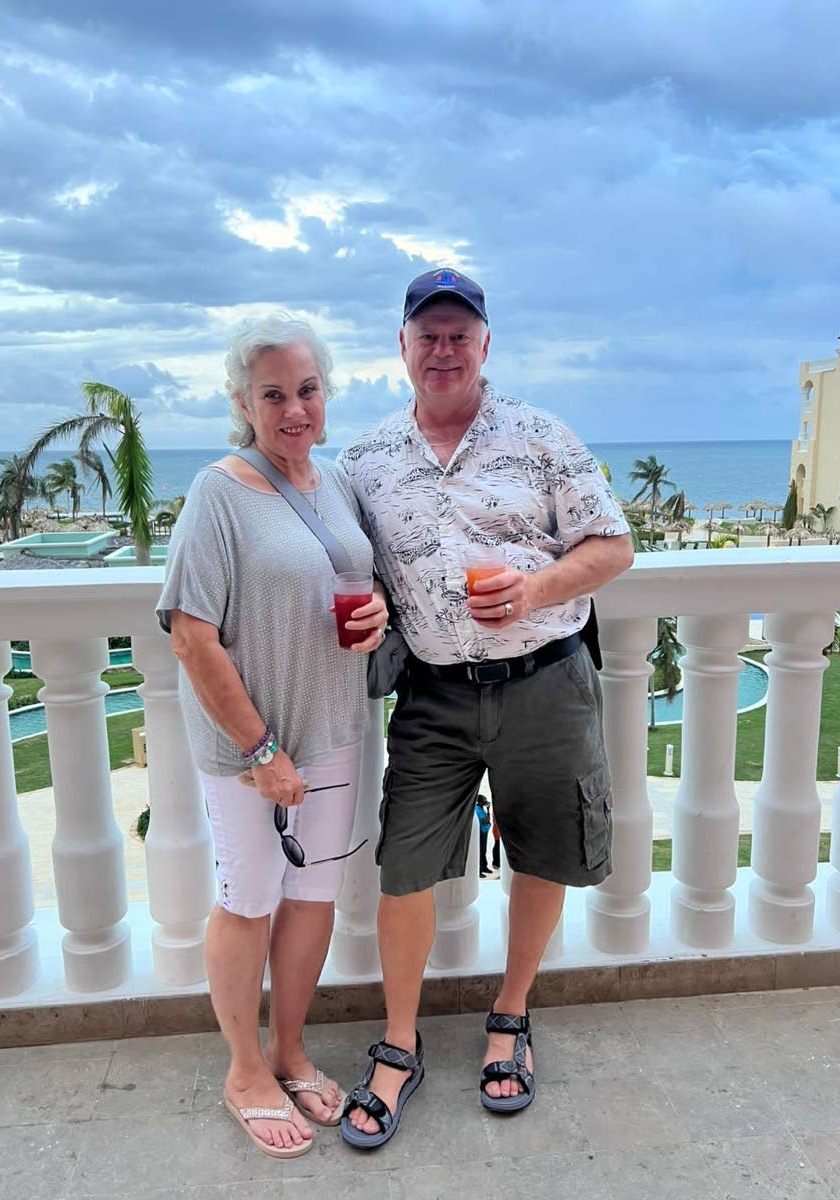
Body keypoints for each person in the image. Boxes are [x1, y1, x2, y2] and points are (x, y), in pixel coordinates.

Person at [338, 268, 633, 1148]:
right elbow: (356, 572)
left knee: (542, 853)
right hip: (433, 692)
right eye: (426, 333)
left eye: (458, 333)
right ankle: (399, 1042)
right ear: (401, 346)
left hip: (546, 679)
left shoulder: (543, 436)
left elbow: (614, 546)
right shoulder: (363, 461)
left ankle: (510, 1016)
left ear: (485, 344)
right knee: (405, 870)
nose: (442, 349)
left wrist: (537, 584)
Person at [156, 315, 388, 1161]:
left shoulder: (332, 484)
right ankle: (245, 1069)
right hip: (249, 750)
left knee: (312, 899)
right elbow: (190, 634)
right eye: (274, 395)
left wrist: (377, 617)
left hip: (335, 729)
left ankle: (291, 1049)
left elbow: (353, 582)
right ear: (244, 404)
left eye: (308, 390)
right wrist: (261, 750)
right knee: (249, 899)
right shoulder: (217, 494)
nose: (295, 409)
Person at [475, 794, 492, 877]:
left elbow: (487, 820)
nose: (486, 801)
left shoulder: (482, 809)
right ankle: (479, 871)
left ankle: (484, 867)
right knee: (480, 851)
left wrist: (488, 811)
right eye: (484, 800)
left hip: (485, 831)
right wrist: (488, 811)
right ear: (480, 801)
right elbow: (485, 821)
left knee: (484, 850)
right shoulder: (477, 810)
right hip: (481, 833)